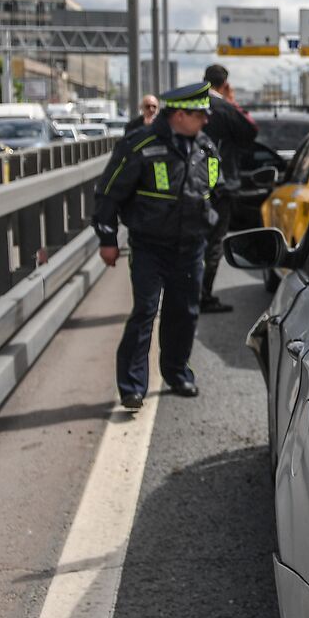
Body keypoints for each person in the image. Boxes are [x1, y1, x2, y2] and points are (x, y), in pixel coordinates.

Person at [94, 81, 223, 409]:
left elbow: (214, 189)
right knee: (144, 313)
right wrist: (107, 239)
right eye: (199, 115)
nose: (205, 121)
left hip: (191, 247)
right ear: (179, 114)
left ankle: (177, 372)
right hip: (150, 246)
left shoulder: (206, 148)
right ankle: (132, 386)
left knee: (185, 313)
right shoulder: (139, 144)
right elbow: (109, 192)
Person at [198, 63, 258, 313]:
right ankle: (204, 296)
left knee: (194, 239)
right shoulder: (224, 108)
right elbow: (250, 131)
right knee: (214, 242)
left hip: (192, 183)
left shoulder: (192, 105)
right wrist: (231, 101)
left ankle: (189, 292)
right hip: (220, 185)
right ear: (225, 85)